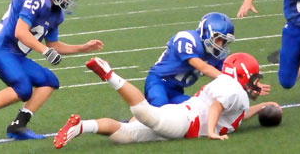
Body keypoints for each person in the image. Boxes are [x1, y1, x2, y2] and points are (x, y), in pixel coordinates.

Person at [53, 53, 280, 149]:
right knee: (143, 113)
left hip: (181, 115)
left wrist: (262, 107)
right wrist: (211, 132)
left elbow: (234, 112)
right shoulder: (233, 89)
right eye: (252, 79)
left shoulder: (233, 90)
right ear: (240, 74)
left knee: (124, 135)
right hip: (183, 121)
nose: (254, 84)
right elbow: (217, 106)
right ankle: (110, 74)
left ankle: (81, 126)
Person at [0, 0, 104, 140]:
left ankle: (18, 125)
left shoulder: (57, 14)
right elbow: (21, 31)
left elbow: (53, 44)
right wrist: (45, 51)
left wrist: (82, 48)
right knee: (24, 88)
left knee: (49, 81)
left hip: (16, 55)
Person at [145, 12, 235, 107]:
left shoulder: (216, 56)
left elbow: (230, 74)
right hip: (159, 81)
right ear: (205, 31)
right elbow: (203, 68)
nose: (220, 45)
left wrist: (247, 85)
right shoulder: (188, 39)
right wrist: (230, 81)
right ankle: (132, 121)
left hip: (176, 90)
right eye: (218, 39)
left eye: (224, 41)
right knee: (158, 104)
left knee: (193, 110)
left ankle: (133, 120)